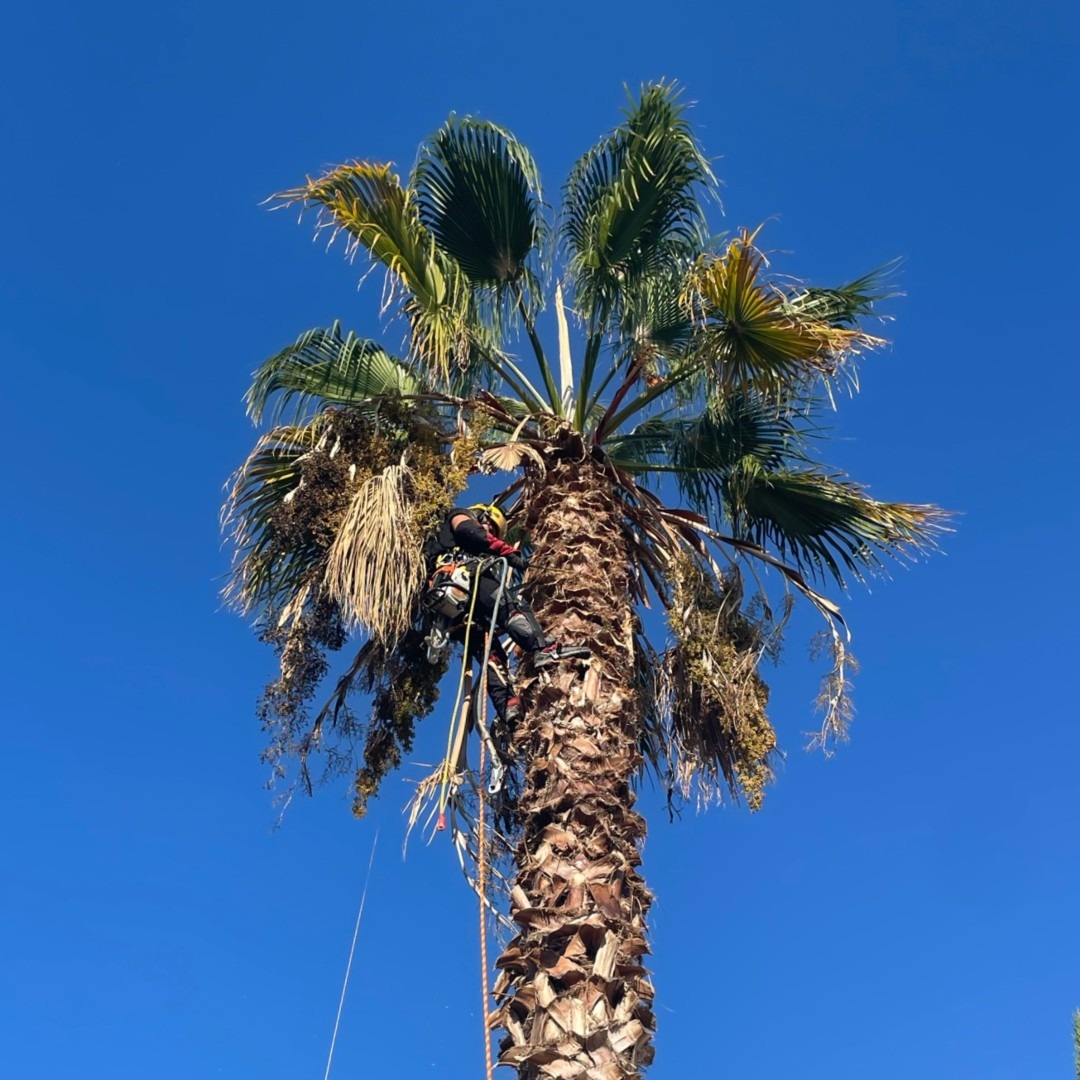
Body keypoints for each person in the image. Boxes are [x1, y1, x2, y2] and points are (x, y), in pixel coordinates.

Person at [423, 503, 590, 726]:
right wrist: (508, 552)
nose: (489, 531)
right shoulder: (460, 516)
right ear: (480, 515)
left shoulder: (445, 546)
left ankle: (508, 708)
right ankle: (544, 649)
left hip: (455, 606)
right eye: (489, 525)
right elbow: (468, 531)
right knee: (511, 608)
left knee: (491, 655)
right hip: (466, 578)